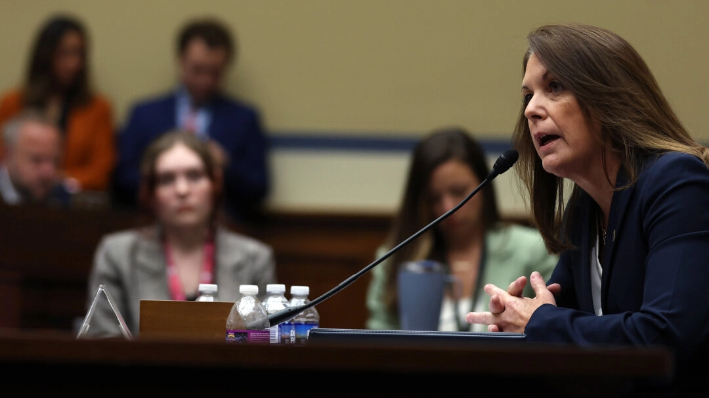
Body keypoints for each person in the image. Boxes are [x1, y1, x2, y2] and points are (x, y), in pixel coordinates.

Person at [465, 23, 709, 396]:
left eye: (554, 87)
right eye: (527, 95)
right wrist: (516, 317)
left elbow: (665, 335)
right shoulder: (584, 211)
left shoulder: (677, 183)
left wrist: (539, 322)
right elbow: (569, 332)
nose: (531, 109)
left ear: (608, 97)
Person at [85, 131, 276, 338]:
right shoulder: (117, 254)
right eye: (167, 179)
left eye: (194, 176)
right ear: (150, 192)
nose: (182, 190)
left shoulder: (255, 257)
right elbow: (102, 342)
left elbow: (263, 345)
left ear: (215, 183)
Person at [365, 126, 558, 332]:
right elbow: (380, 338)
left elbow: (553, 330)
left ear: (484, 186)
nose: (448, 208)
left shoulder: (531, 251)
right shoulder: (394, 258)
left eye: (458, 192)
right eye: (434, 199)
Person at [112, 17, 270, 225]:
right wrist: (161, 173)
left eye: (214, 72)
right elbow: (122, 179)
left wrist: (226, 166)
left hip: (223, 229)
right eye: (197, 69)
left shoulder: (244, 118)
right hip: (153, 226)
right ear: (181, 61)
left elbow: (259, 188)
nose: (205, 80)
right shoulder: (145, 114)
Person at [0, 14, 115, 194]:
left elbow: (102, 171)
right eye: (65, 53)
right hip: (15, 199)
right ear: (46, 54)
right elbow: (4, 159)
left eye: (79, 53)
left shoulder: (97, 108)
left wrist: (57, 180)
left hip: (72, 204)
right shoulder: (12, 103)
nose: (74, 63)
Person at [0, 110, 71, 206]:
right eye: (37, 160)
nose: (48, 172)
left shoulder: (63, 199)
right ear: (7, 153)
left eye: (55, 161)